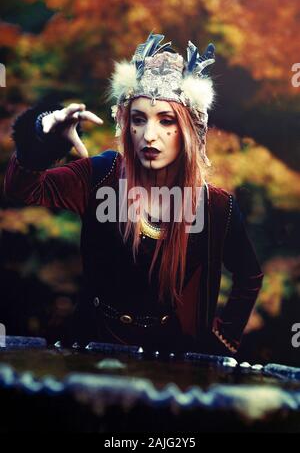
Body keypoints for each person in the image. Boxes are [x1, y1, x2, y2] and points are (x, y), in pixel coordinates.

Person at [4, 33, 264, 355]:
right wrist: (43, 133)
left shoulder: (215, 206)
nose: (149, 135)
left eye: (166, 120)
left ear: (188, 131)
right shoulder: (102, 175)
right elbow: (22, 188)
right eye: (138, 120)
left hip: (172, 356)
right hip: (95, 343)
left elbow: (249, 274)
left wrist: (222, 341)